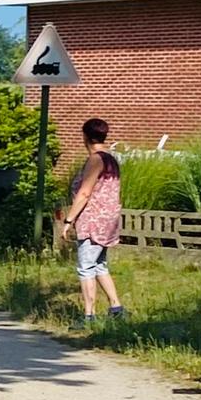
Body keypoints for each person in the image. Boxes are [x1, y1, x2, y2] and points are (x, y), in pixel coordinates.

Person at [61, 118, 126, 324]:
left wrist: (69, 220)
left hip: (93, 221)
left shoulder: (95, 160)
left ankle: (89, 316)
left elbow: (85, 192)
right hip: (108, 221)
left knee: (86, 267)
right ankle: (116, 308)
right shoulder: (111, 159)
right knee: (99, 265)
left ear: (85, 136)